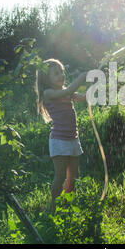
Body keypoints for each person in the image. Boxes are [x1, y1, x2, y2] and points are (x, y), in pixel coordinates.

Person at [35, 58, 87, 211]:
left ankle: (68, 204)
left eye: (62, 72)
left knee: (74, 176)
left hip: (73, 138)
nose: (61, 75)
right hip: (59, 141)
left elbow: (84, 98)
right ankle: (54, 207)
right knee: (60, 176)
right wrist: (82, 77)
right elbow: (69, 91)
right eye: (56, 73)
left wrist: (95, 85)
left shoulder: (65, 91)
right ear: (46, 79)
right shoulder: (49, 93)